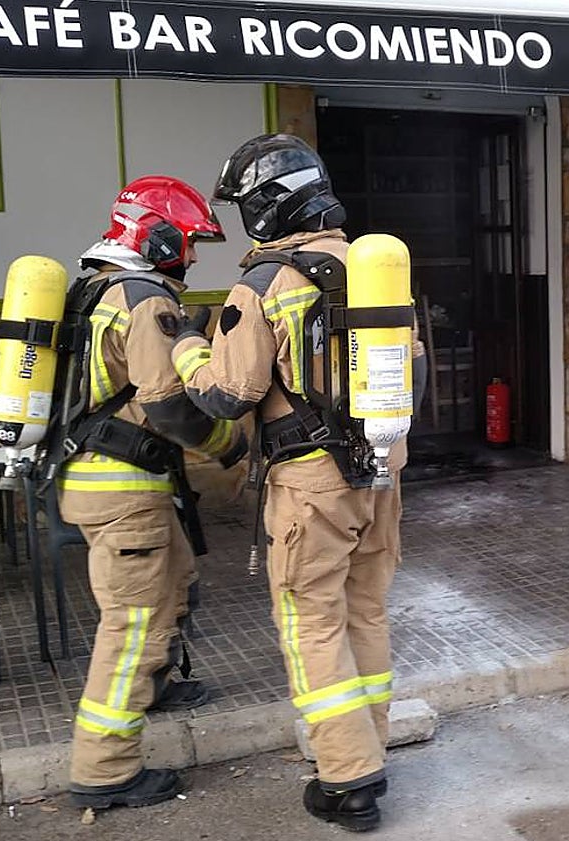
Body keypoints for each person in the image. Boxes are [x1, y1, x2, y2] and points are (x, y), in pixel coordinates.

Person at [170, 134, 425, 833]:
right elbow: (414, 369)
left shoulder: (263, 285)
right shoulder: (374, 269)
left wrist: (189, 346)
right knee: (366, 609)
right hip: (382, 473)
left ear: (265, 208)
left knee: (311, 621)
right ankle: (366, 744)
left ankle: (347, 778)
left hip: (311, 484)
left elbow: (228, 392)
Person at [61, 176, 248, 809]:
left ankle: (156, 683)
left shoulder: (93, 286)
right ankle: (105, 770)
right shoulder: (144, 299)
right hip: (123, 490)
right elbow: (167, 404)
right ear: (157, 234)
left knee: (180, 577)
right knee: (132, 622)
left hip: (106, 481)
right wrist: (227, 444)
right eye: (189, 243)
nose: (192, 257)